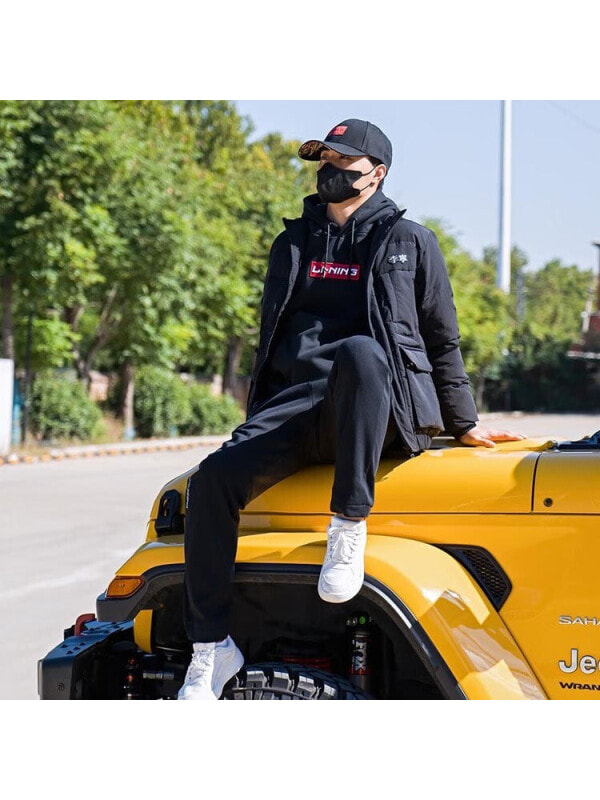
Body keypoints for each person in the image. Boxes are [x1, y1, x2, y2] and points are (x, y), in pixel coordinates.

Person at [177, 118, 525, 700]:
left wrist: (463, 423)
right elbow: (270, 339)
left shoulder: (411, 242)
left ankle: (348, 524)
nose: (329, 172)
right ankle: (211, 649)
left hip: (375, 410)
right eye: (324, 161)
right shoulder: (293, 243)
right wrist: (257, 419)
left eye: (343, 163)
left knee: (363, 353)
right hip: (297, 406)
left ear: (376, 174)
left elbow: (441, 338)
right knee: (210, 481)